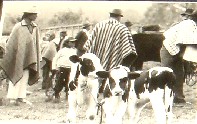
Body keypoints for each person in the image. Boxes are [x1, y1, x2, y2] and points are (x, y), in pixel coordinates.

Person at [83, 9, 137, 93]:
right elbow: (129, 49)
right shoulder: (122, 28)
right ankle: (109, 94)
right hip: (114, 59)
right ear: (119, 17)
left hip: (97, 58)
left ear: (110, 15)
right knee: (113, 77)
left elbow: (88, 44)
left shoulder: (99, 25)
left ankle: (95, 96)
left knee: (97, 79)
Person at [0, 6, 40, 105]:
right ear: (28, 14)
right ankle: (12, 97)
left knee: (25, 76)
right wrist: (12, 55)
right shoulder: (18, 26)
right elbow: (12, 42)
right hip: (18, 56)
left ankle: (21, 97)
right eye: (34, 14)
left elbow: (35, 43)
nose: (36, 16)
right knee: (16, 73)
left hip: (29, 57)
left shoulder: (35, 27)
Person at [160, 9, 197, 103]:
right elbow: (184, 41)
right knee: (167, 74)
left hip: (178, 50)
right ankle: (165, 99)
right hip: (169, 49)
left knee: (179, 74)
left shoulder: (193, 25)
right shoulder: (189, 24)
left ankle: (178, 98)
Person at [46, 37, 77, 103]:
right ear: (67, 43)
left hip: (70, 69)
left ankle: (68, 95)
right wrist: (54, 68)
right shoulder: (62, 50)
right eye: (71, 42)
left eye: (74, 42)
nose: (73, 43)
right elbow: (55, 58)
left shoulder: (75, 51)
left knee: (69, 82)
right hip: (62, 68)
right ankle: (56, 94)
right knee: (59, 82)